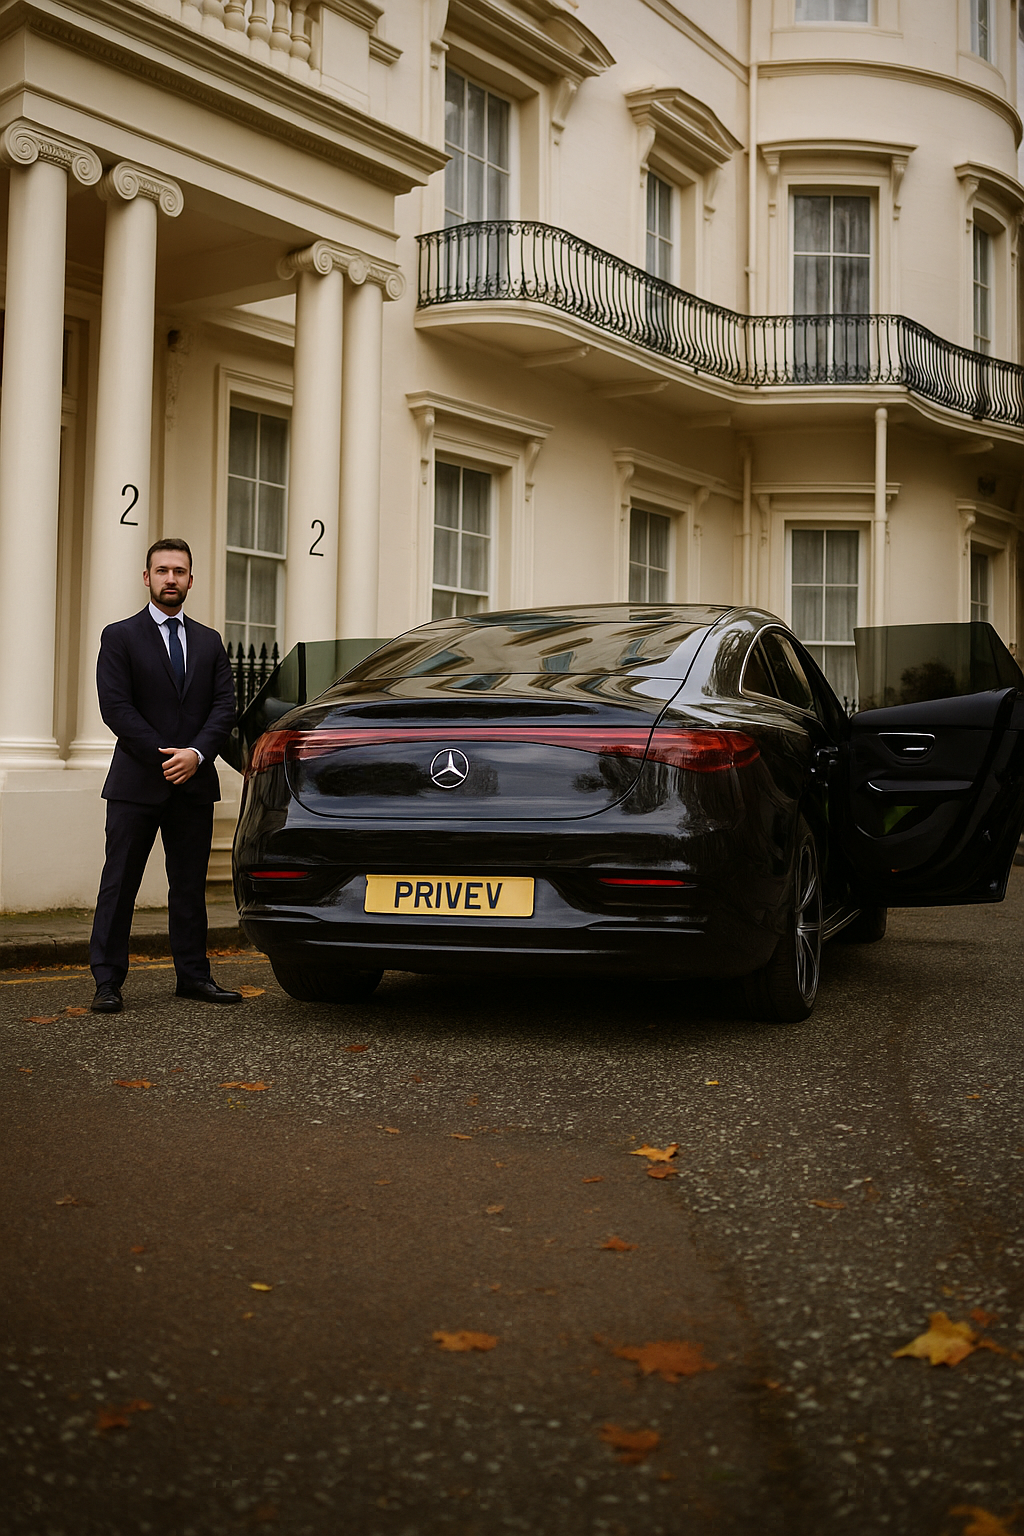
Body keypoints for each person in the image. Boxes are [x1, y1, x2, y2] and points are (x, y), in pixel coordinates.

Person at [89, 539, 241, 1013]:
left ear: (191, 580)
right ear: (147, 577)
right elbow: (116, 707)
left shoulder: (209, 641)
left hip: (193, 783)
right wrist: (166, 756)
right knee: (120, 884)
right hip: (137, 784)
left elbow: (224, 707)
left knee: (189, 886)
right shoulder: (119, 636)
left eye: (179, 571)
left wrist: (196, 754)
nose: (170, 578)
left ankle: (194, 977)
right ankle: (108, 981)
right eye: (162, 570)